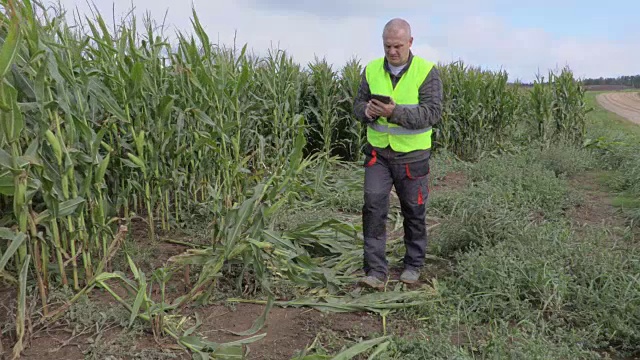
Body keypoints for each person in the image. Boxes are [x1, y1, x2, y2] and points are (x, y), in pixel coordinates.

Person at [353, 18, 443, 289]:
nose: (392, 51)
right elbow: (357, 104)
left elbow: (432, 113)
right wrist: (366, 112)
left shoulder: (426, 72)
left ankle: (413, 265)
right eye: (387, 46)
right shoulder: (370, 70)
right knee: (373, 207)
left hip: (412, 157)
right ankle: (375, 272)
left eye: (398, 46)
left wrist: (395, 113)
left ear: (410, 43)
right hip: (378, 154)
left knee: (414, 210)